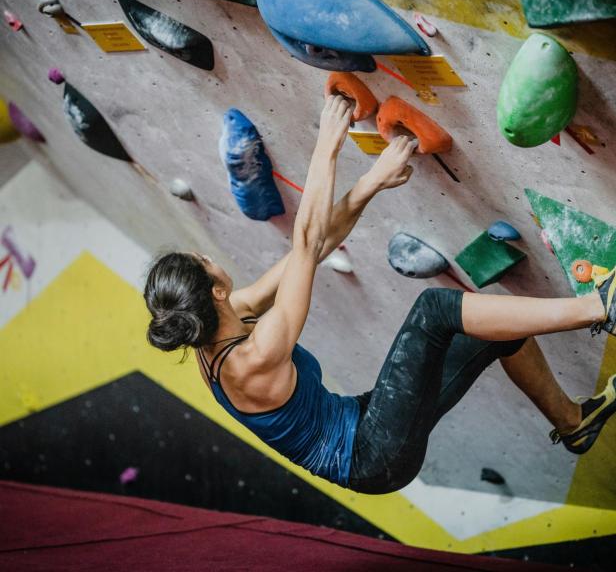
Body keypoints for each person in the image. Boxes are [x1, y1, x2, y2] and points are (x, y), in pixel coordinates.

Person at [144, 95, 616, 495]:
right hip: (373, 456)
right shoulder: (253, 358)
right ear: (216, 290)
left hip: (367, 422)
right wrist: (327, 141)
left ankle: (575, 423)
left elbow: (317, 245)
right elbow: (306, 243)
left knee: (494, 330)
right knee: (435, 310)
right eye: (202, 260)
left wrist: (372, 181)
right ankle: (601, 305)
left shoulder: (226, 319)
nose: (207, 257)